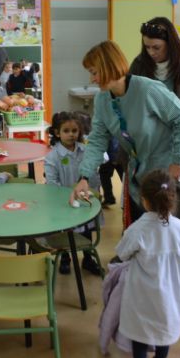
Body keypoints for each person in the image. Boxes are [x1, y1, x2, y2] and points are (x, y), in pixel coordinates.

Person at [72, 40, 180, 225]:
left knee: (167, 236)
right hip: (139, 178)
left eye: (94, 72)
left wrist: (177, 160)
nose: (92, 79)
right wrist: (84, 177)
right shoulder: (102, 100)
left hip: (166, 174)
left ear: (109, 67)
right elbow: (97, 140)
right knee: (140, 233)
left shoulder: (148, 90)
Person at [116, 170, 180, 358]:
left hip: (142, 294)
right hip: (170, 291)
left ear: (144, 200)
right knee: (164, 329)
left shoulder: (137, 229)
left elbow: (123, 253)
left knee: (140, 334)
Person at [130, 17, 180, 183]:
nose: (151, 52)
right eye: (147, 47)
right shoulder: (139, 67)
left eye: (156, 47)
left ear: (170, 44)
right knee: (146, 201)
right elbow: (130, 104)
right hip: (147, 149)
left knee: (176, 203)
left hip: (179, 149)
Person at [45, 112, 103, 276]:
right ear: (57, 133)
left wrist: (93, 191)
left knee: (86, 229)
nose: (71, 134)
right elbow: (51, 183)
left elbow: (94, 173)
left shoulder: (85, 151)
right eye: (66, 131)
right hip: (63, 202)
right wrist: (66, 195)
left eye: (74, 131)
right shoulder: (52, 157)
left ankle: (88, 258)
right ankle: (65, 258)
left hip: (85, 200)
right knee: (64, 230)